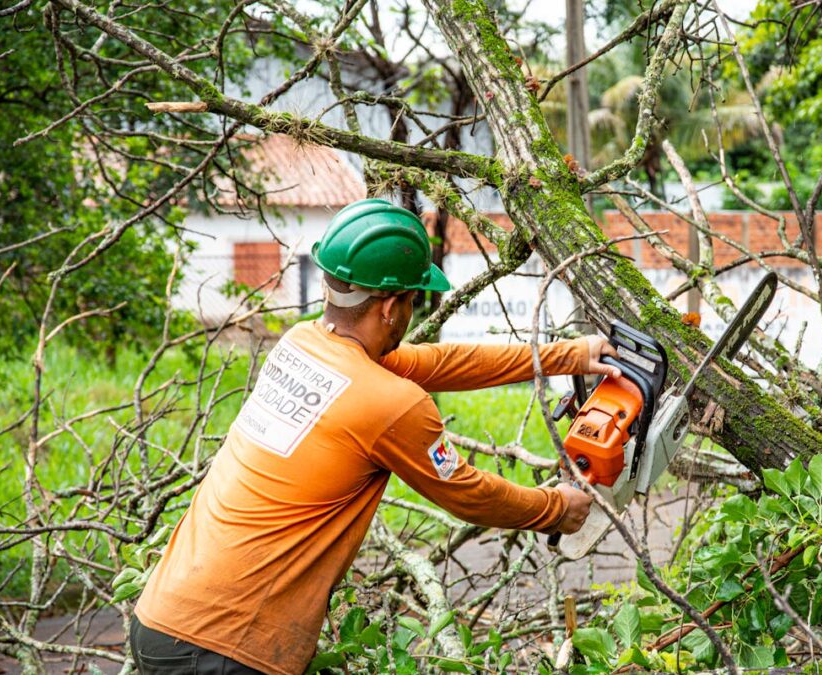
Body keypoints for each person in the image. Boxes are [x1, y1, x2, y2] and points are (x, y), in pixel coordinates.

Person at [130, 199, 616, 674]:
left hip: (161, 618)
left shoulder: (302, 343)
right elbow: (467, 493)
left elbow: (439, 362)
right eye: (412, 300)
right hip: (223, 649)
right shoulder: (387, 404)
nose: (411, 313)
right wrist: (556, 509)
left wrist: (569, 355)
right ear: (388, 307)